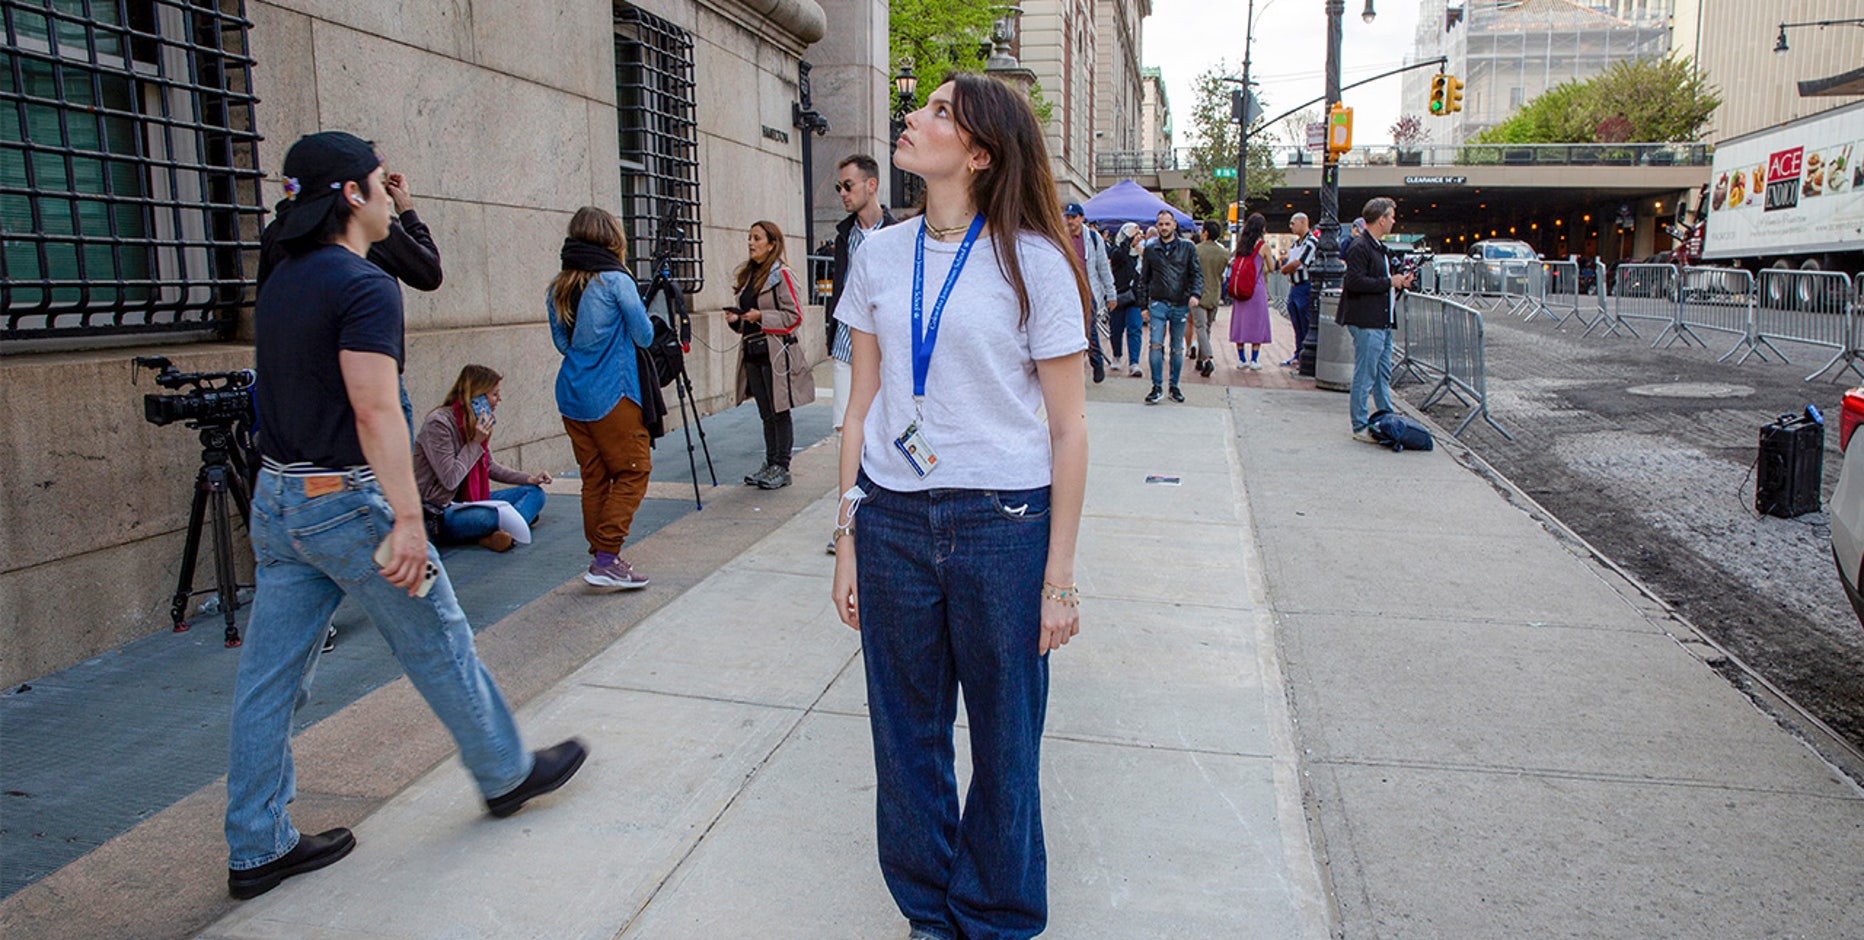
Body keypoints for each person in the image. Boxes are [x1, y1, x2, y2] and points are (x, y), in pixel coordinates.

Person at [227, 132, 585, 901]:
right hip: (345, 503)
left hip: (278, 500)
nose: (393, 195)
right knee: (439, 640)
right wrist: (408, 519)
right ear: (352, 196)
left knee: (268, 681)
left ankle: (256, 844)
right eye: (379, 185)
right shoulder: (361, 286)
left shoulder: (282, 273)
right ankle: (505, 772)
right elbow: (374, 408)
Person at [829, 73, 1089, 940]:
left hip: (1004, 525)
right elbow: (860, 407)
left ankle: (998, 916)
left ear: (978, 153)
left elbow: (1069, 431)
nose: (913, 116)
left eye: (939, 112)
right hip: (893, 522)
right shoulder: (879, 254)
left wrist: (1059, 578)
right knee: (905, 739)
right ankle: (929, 914)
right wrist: (846, 535)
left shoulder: (1035, 261)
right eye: (923, 105)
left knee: (1007, 739)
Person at [548, 206, 657, 590]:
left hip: (572, 394)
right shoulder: (615, 280)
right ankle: (606, 558)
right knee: (633, 470)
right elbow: (644, 335)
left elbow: (562, 343)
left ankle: (601, 557)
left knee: (593, 477)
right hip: (613, 393)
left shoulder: (560, 285)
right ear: (612, 237)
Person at [412, 364, 552, 553]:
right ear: (476, 397)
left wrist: (529, 478)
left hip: (472, 501)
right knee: (488, 517)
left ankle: (497, 533)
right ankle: (509, 525)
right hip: (441, 509)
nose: (499, 399)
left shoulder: (474, 421)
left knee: (535, 493)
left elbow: (490, 467)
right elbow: (450, 479)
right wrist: (475, 443)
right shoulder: (438, 424)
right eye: (494, 394)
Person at [728, 219, 813, 490]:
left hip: (776, 353)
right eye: (749, 237)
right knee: (766, 412)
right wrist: (736, 319)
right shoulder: (748, 276)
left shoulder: (782, 274)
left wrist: (761, 315)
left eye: (757, 238)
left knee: (779, 411)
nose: (751, 243)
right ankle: (770, 462)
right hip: (752, 351)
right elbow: (746, 320)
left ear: (772, 244)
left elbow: (794, 315)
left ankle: (782, 466)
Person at [827, 155, 898, 437]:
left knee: (885, 429)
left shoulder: (897, 234)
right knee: (846, 432)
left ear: (871, 185)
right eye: (838, 188)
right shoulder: (845, 236)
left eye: (848, 185)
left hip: (887, 349)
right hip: (846, 346)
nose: (843, 193)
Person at [1340, 197, 1414, 442]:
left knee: (1381, 373)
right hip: (1367, 321)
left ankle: (1386, 415)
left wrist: (1397, 284)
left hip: (1380, 320)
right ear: (1381, 219)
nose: (1394, 221)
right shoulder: (1361, 247)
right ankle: (1360, 424)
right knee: (1366, 373)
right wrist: (1389, 282)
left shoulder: (1376, 248)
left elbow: (1371, 282)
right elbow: (1354, 281)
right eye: (1391, 216)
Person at [1141, 208, 1202, 404]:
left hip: (1180, 303)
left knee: (1177, 347)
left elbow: (1196, 274)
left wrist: (1195, 294)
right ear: (1156, 226)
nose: (1164, 227)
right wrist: (1143, 306)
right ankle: (1157, 386)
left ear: (1174, 225)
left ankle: (1174, 386)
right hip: (1158, 302)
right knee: (1155, 345)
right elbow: (1144, 279)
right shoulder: (1151, 250)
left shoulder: (1188, 248)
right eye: (1161, 224)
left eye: (1167, 224)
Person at [1063, 202, 1115, 383]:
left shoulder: (1092, 238)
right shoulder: (1061, 237)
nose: (1070, 221)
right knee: (1068, 332)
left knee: (1090, 330)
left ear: (1081, 218)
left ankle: (1096, 361)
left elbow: (1103, 268)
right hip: (1067, 293)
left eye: (1073, 217)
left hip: (1088, 293)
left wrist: (1111, 293)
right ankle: (1072, 368)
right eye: (1068, 217)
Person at [1228, 213, 1273, 369]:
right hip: (1256, 288)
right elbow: (1272, 267)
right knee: (1257, 323)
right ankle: (1254, 360)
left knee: (1240, 322)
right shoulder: (1263, 246)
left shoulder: (1241, 245)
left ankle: (1242, 359)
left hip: (1240, 289)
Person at [1106, 222, 1146, 376]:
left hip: (1135, 297)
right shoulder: (1118, 250)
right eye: (1133, 236)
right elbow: (1117, 257)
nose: (1136, 239)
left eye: (1137, 235)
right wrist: (1127, 241)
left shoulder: (1141, 253)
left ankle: (1134, 362)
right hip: (1119, 295)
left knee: (1135, 329)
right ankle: (1116, 355)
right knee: (1116, 329)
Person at [1279, 212, 1318, 367]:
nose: (1291, 227)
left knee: (1305, 321)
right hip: (1295, 287)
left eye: (1293, 223)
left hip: (1305, 286)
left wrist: (1286, 269)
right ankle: (1298, 352)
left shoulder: (1311, 242)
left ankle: (1305, 354)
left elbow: (1299, 263)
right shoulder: (1295, 244)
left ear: (1303, 222)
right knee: (1296, 321)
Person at [1192, 220, 1230, 377]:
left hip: (1198, 293)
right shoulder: (1223, 253)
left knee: (1200, 327)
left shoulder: (1196, 250)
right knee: (1207, 328)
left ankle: (1207, 358)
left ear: (1205, 232)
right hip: (1215, 293)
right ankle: (1200, 360)